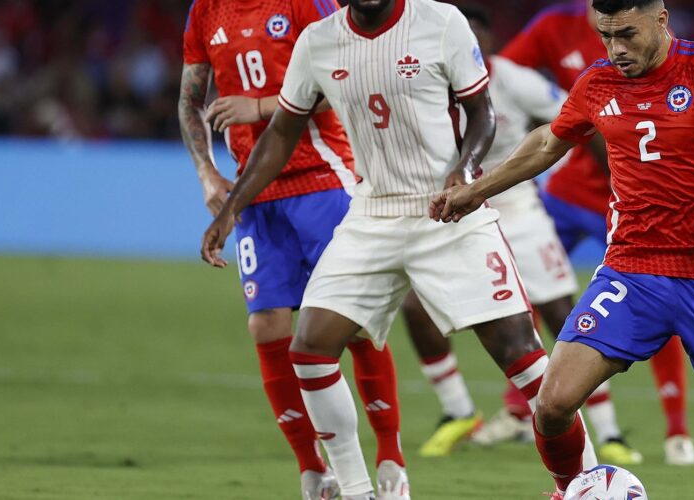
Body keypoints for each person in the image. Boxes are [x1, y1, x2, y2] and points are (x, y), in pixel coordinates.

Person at [199, 0, 596, 498]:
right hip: (371, 214)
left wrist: (467, 169)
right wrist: (232, 207)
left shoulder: (441, 22)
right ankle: (358, 489)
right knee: (310, 349)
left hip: (448, 210)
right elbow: (282, 132)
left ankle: (582, 486)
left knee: (523, 355)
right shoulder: (319, 41)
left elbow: (481, 113)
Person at [431, 0, 694, 498]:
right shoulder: (597, 81)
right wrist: (476, 189)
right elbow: (549, 142)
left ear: (661, 19)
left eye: (627, 34)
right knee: (552, 404)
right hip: (630, 272)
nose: (615, 48)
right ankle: (571, 492)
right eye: (606, 34)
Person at [179, 1, 402, 498]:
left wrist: (259, 107)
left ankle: (390, 456)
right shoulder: (206, 10)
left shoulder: (307, 2)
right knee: (266, 325)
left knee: (356, 322)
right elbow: (189, 99)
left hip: (324, 179)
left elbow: (351, 74)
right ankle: (313, 470)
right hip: (254, 190)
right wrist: (206, 172)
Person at [467, 0, 694, 465]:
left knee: (663, 295)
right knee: (525, 289)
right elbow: (499, 79)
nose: (613, 43)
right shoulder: (556, 26)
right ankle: (520, 410)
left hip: (633, 199)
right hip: (570, 193)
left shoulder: (662, 42)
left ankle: (676, 431)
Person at [405, 4, 580, 459]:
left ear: (489, 41)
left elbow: (572, 116)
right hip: (449, 212)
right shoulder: (423, 80)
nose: (470, 47)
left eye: (476, 37)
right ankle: (458, 409)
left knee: (556, 315)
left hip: (517, 210)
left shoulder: (513, 79)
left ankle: (600, 430)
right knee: (414, 306)